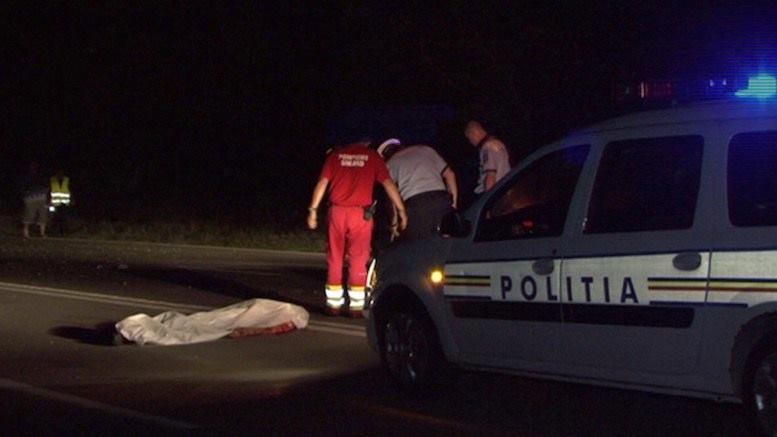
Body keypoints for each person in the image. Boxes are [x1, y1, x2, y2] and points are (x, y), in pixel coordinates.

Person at [307, 139, 407, 318]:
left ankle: (333, 305)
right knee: (359, 259)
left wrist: (313, 210)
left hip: (337, 212)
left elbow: (322, 183)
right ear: (366, 142)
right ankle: (356, 307)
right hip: (360, 215)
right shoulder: (372, 157)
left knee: (335, 257)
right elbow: (388, 184)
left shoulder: (335, 156)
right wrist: (401, 210)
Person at [376, 138, 458, 241]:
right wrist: (453, 204)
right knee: (447, 240)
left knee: (418, 245)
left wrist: (395, 222)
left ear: (384, 156)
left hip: (416, 205)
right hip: (441, 199)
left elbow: (392, 196)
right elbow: (450, 174)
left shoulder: (390, 164)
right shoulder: (426, 149)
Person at [464, 120, 511, 195]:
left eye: (470, 139)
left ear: (474, 134)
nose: (471, 142)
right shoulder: (498, 143)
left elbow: (491, 175)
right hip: (506, 187)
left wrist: (488, 197)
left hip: (496, 192)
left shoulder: (487, 148)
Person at [21, 160, 50, 238]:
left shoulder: (42, 176)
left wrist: (47, 196)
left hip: (42, 197)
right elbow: (23, 187)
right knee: (29, 215)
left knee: (43, 216)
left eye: (35, 166)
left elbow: (47, 186)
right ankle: (25, 232)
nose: (34, 168)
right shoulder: (27, 176)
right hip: (30, 198)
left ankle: (42, 233)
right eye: (33, 166)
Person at [49, 168, 72, 235]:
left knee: (64, 217)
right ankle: (54, 231)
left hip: (64, 202)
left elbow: (70, 189)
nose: (60, 173)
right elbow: (50, 190)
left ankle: (64, 231)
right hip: (55, 202)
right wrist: (49, 200)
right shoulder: (52, 179)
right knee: (55, 217)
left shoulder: (67, 179)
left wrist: (72, 199)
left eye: (61, 172)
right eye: (58, 172)